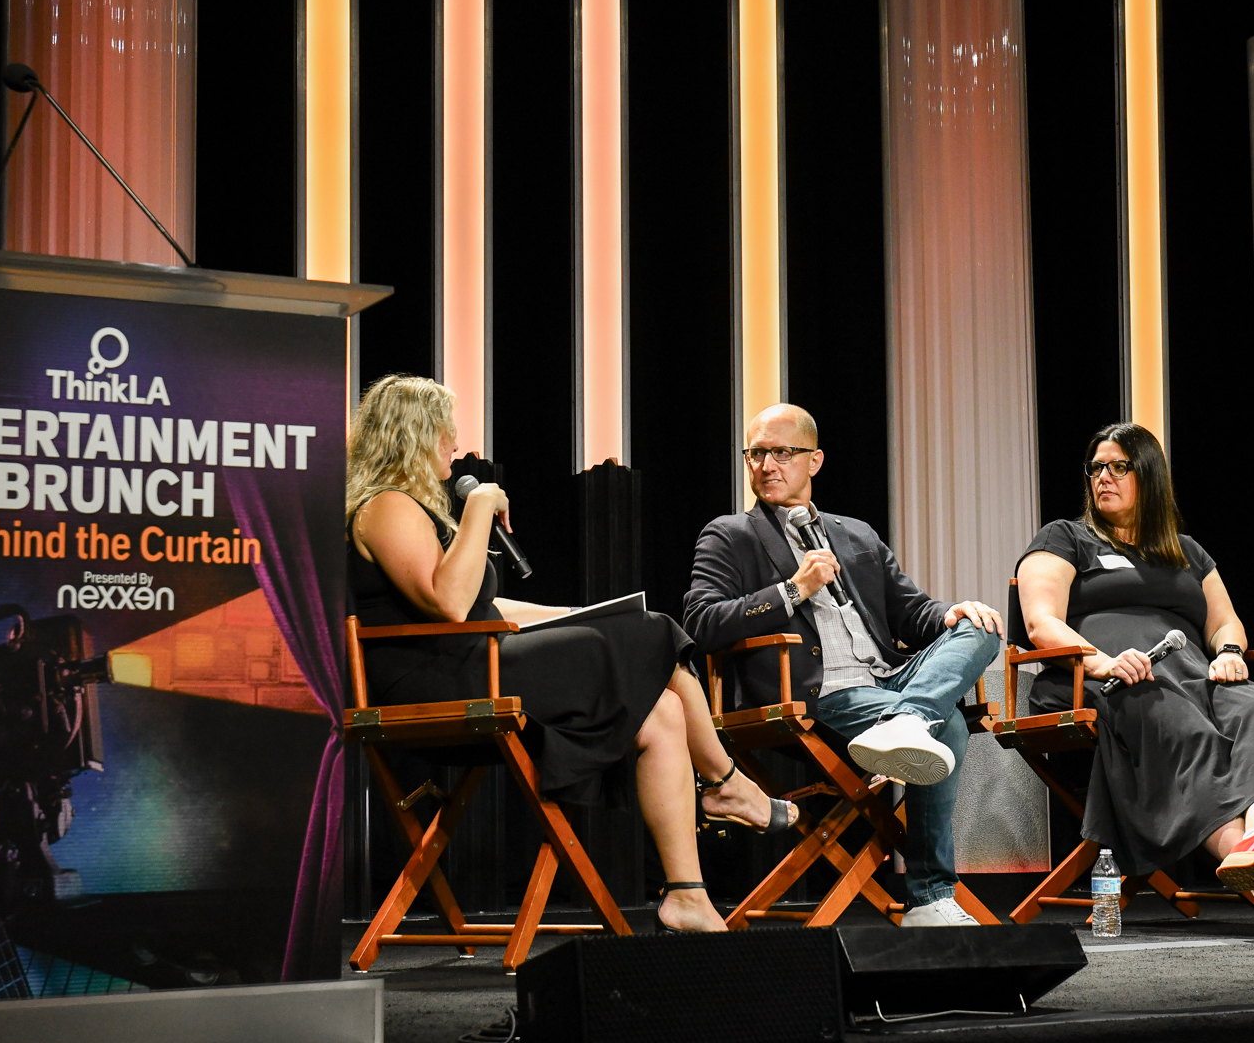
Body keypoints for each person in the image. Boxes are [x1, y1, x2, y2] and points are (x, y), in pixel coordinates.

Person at [346, 374, 793, 935]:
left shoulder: (412, 510)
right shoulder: (387, 506)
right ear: (412, 435)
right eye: (445, 435)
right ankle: (725, 780)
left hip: (474, 662)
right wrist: (480, 505)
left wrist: (587, 617)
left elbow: (488, 606)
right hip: (438, 680)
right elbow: (452, 604)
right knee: (656, 633)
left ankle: (687, 895)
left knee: (661, 711)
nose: (454, 448)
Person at [1016, 422, 1254, 942]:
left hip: (1193, 671)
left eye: (1118, 467)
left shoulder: (1186, 550)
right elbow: (1042, 623)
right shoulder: (1066, 538)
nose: (1102, 477)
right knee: (1178, 724)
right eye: (1096, 468)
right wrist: (1103, 660)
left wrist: (1228, 653)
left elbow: (1225, 620)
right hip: (1103, 678)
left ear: (1148, 476)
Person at [683, 404, 1005, 927]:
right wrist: (792, 591)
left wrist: (952, 612)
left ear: (815, 461)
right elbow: (700, 621)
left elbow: (913, 613)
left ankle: (909, 717)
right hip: (814, 691)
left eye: (782, 453)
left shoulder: (854, 534)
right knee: (946, 728)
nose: (767, 466)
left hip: (887, 678)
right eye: (756, 453)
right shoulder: (730, 535)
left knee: (980, 628)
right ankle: (929, 898)